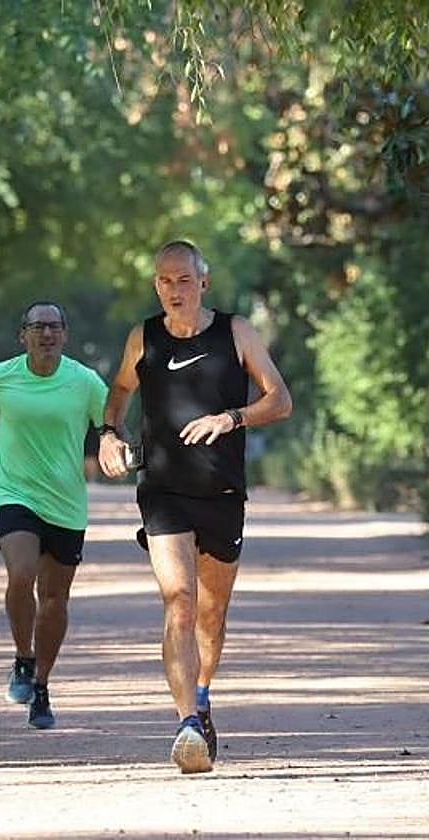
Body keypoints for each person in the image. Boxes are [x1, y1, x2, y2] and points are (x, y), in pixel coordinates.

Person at [99, 240, 292, 773]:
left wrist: (231, 418)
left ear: (203, 282)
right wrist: (108, 434)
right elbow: (119, 389)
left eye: (184, 280)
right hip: (162, 490)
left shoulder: (236, 332)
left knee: (211, 613)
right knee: (179, 600)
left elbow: (280, 399)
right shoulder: (144, 336)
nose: (174, 290)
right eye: (164, 281)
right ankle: (187, 724)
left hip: (222, 492)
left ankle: (202, 695)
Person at [0, 301, 108, 729]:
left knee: (55, 601)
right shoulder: (1, 377)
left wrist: (119, 448)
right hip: (15, 493)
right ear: (22, 334)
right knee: (21, 575)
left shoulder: (85, 381)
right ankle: (23, 658)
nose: (47, 334)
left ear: (65, 334)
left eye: (54, 327)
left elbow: (109, 424)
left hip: (66, 502)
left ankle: (41, 685)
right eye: (38, 327)